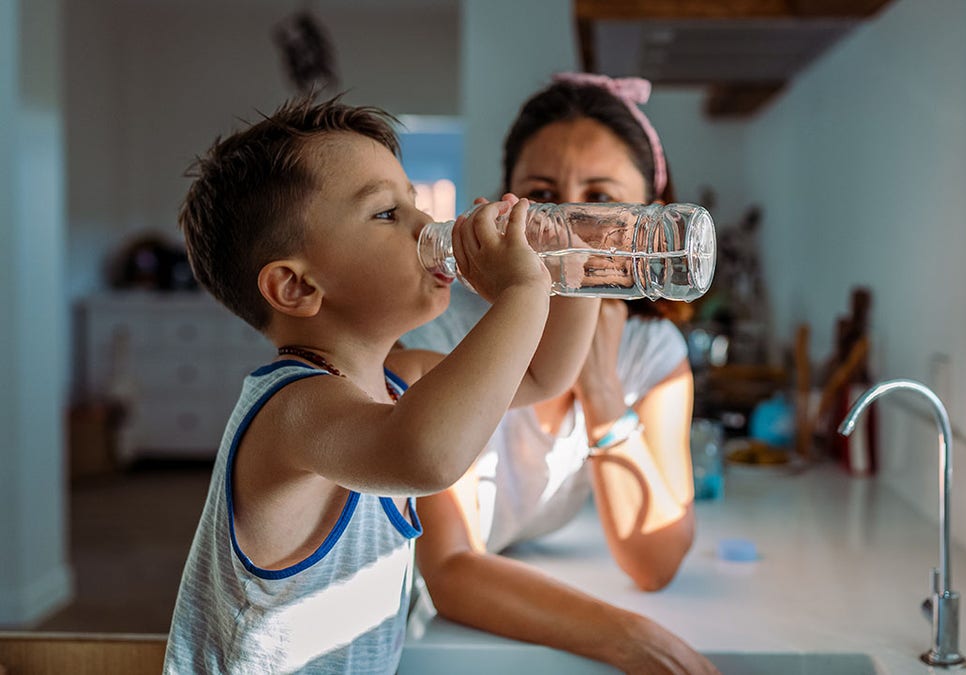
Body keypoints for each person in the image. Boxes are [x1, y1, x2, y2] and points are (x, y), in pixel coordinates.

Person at [162, 95, 599, 673]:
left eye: (412, 200)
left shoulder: (402, 378)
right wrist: (520, 295)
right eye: (386, 214)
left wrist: (575, 266)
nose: (426, 225)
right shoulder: (293, 411)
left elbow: (545, 373)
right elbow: (427, 456)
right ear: (297, 288)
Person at [395, 74, 716, 674]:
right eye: (543, 195)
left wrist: (601, 390)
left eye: (599, 200)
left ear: (647, 218)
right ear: (505, 203)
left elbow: (654, 561)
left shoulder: (652, 354)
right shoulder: (438, 335)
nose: (569, 227)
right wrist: (632, 639)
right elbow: (449, 571)